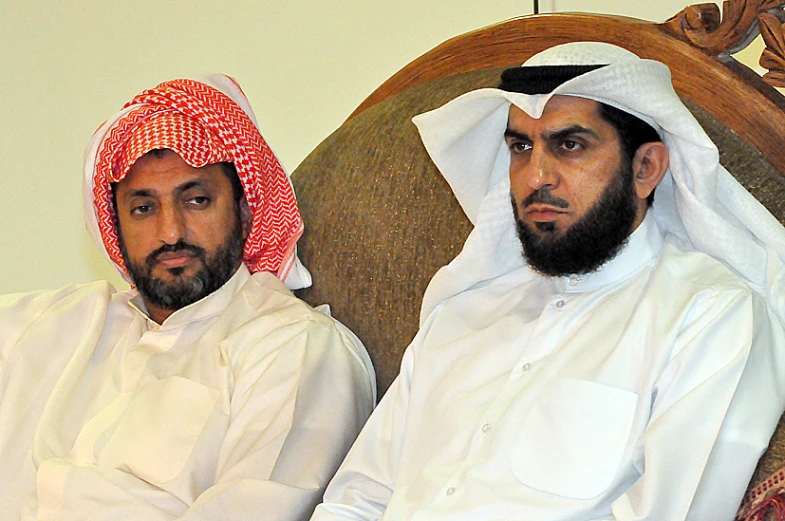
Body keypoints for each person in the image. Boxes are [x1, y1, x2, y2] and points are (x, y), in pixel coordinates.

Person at [310, 42, 785, 521]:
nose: (536, 176)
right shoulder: (462, 313)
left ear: (646, 168)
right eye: (520, 147)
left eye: (570, 145)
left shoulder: (710, 316)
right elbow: (355, 502)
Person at [0, 74, 375, 521]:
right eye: (143, 208)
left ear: (243, 208)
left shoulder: (293, 348)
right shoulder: (57, 323)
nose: (171, 232)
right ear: (115, 228)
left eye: (196, 200)